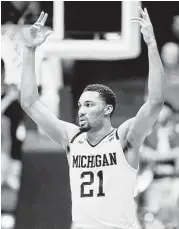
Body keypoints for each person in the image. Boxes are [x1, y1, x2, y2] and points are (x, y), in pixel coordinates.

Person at [20, 8, 165, 229]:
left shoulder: (124, 137)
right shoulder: (72, 137)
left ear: (107, 109)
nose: (81, 111)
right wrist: (29, 51)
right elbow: (30, 103)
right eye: (80, 105)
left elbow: (155, 102)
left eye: (89, 105)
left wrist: (152, 47)